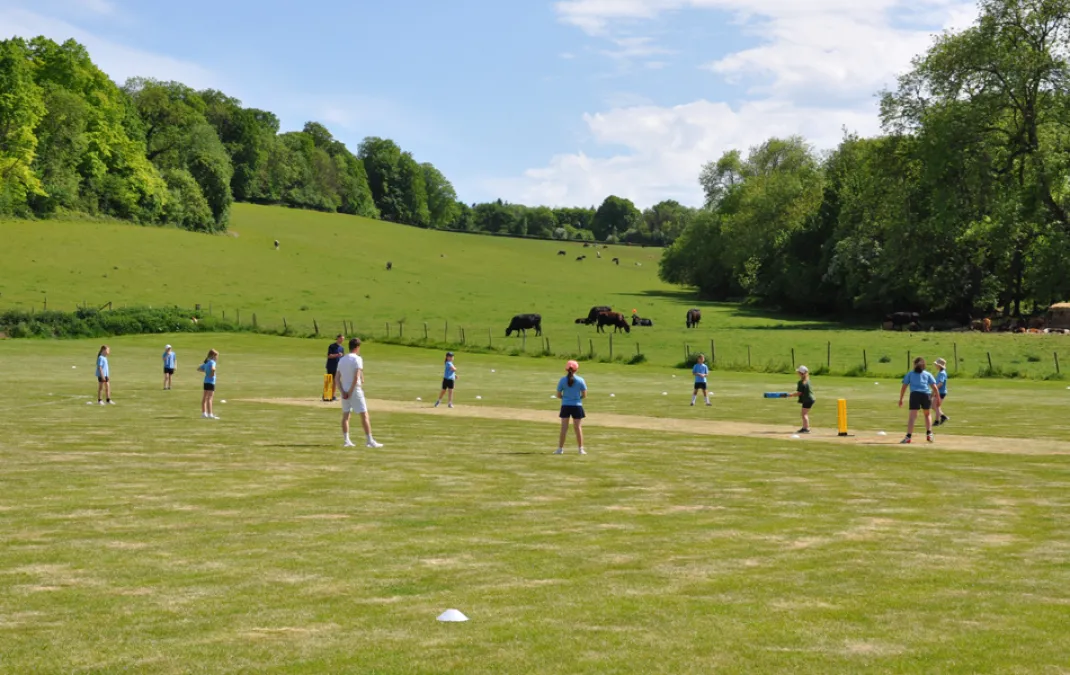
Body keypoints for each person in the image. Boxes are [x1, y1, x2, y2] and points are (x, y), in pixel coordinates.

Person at [336, 337, 383, 449]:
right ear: (357, 347)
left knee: (346, 415)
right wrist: (351, 391)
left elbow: (337, 378)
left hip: (345, 390)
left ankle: (347, 440)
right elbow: (357, 377)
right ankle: (369, 440)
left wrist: (343, 391)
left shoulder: (342, 359)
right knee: (364, 415)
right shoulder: (357, 359)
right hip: (355, 390)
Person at [898, 356, 942, 443]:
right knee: (927, 414)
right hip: (926, 395)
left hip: (915, 395)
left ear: (914, 365)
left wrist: (901, 399)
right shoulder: (928, 374)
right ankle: (929, 434)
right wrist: (938, 398)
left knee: (912, 417)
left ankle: (908, 437)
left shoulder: (910, 374)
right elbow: (934, 387)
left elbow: (904, 387)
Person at [555, 360, 587, 455]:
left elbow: (558, 395)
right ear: (576, 369)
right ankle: (581, 449)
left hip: (565, 405)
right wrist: (577, 398)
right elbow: (584, 395)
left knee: (564, 428)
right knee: (578, 427)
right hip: (577, 406)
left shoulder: (562, 380)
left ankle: (560, 449)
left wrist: (565, 398)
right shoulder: (580, 380)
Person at [789, 365, 815, 433]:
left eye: (798, 372)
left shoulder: (801, 382)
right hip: (810, 399)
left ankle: (806, 428)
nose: (797, 373)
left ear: (801, 373)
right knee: (804, 414)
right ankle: (805, 428)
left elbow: (799, 393)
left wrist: (790, 395)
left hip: (807, 399)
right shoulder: (808, 380)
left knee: (804, 414)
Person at [197, 349, 219, 419]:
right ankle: (210, 414)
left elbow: (199, 368)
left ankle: (204, 413)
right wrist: (212, 374)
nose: (217, 358)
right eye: (216, 356)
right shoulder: (212, 362)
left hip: (206, 381)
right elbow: (213, 369)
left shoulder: (207, 362)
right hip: (211, 382)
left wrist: (206, 371)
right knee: (210, 398)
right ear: (213, 356)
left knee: (204, 398)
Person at [324, 334, 345, 401]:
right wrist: (337, 355)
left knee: (336, 381)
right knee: (329, 380)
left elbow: (342, 358)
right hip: (331, 365)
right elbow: (329, 355)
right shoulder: (332, 346)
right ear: (338, 338)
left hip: (338, 367)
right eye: (341, 339)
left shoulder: (341, 348)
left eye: (343, 339)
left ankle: (333, 395)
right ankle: (327, 396)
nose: (342, 340)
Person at [933, 357, 949, 425]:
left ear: (939, 365)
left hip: (940, 392)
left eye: (936, 364)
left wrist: (934, 390)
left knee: (934, 406)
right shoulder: (941, 372)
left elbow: (940, 383)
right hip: (940, 392)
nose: (935, 365)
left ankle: (942, 417)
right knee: (936, 406)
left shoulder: (942, 373)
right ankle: (937, 421)